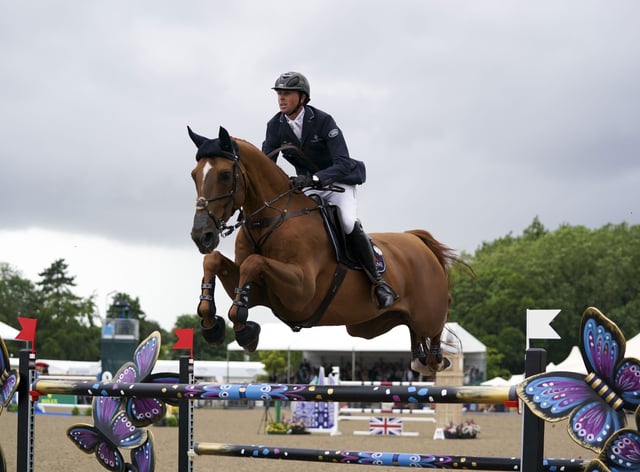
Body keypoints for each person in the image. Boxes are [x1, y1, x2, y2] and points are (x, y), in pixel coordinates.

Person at [262, 71, 397, 308]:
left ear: (302, 98)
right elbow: (266, 163)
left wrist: (315, 178)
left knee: (346, 222)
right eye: (279, 94)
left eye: (287, 94)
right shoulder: (275, 126)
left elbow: (342, 162)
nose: (281, 99)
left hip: (338, 183)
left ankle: (378, 281)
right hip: (308, 187)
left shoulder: (323, 121)